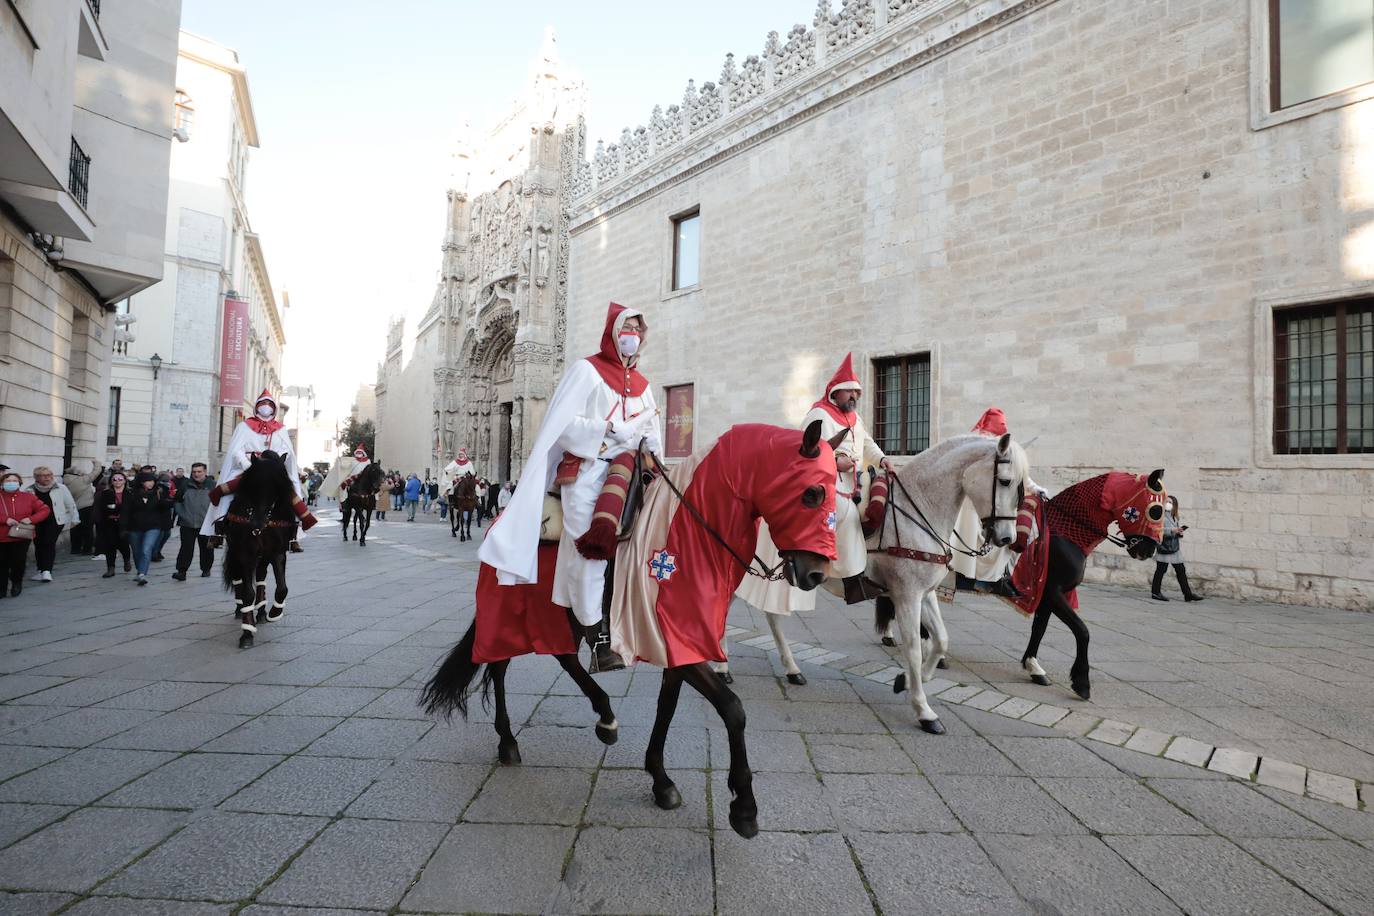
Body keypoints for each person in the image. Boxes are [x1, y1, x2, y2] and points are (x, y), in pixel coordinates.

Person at [479, 301, 662, 672]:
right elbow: (562, 424)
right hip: (588, 469)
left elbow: (654, 436)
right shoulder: (587, 371)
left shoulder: (644, 387)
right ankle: (596, 639)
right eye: (628, 329)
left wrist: (659, 463)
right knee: (588, 544)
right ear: (613, 332)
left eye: (640, 332)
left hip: (633, 471)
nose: (634, 337)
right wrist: (607, 429)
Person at [201, 389, 314, 552]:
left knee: (292, 494)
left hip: (273, 470)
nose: (266, 407)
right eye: (263, 403)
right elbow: (236, 450)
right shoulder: (244, 427)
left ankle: (294, 534)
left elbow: (287, 451)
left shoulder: (281, 430)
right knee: (229, 490)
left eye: (269, 404)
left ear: (274, 408)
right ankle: (218, 531)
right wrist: (248, 466)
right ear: (257, 406)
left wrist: (278, 463)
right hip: (248, 468)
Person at [952, 408, 1046, 591]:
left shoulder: (1005, 449)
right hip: (972, 502)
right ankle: (966, 576)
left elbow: (1017, 473)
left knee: (1006, 532)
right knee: (970, 533)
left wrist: (1037, 489)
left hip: (997, 502)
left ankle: (995, 578)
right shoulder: (976, 446)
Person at [0, 470, 51, 597]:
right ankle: (2, 587)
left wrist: (31, 519)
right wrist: (5, 519)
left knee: (18, 561)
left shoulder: (28, 497)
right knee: (2, 563)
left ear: (19, 483)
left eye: (14, 481)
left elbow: (44, 509)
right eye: (8, 481)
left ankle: (17, 583)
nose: (11, 483)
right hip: (2, 535)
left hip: (21, 536)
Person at [25, 467, 78, 583]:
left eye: (49, 474)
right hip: (37, 521)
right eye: (43, 475)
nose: (47, 477)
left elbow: (70, 504)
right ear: (36, 477)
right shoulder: (29, 490)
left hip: (55, 520)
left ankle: (47, 571)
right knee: (38, 544)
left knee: (48, 543)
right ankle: (40, 570)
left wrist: (75, 519)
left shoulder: (60, 488)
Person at [123, 472, 173, 585]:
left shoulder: (159, 492)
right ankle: (139, 570)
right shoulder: (131, 493)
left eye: (152, 481)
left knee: (147, 549)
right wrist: (123, 527)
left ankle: (142, 574)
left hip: (153, 526)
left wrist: (170, 501)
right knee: (136, 552)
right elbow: (125, 512)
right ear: (141, 482)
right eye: (147, 481)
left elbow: (165, 506)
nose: (150, 483)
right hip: (135, 526)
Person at [1152, 495, 1203, 602]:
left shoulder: (1174, 517)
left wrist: (1179, 532)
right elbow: (1157, 530)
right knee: (1161, 570)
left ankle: (1187, 594)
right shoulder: (1160, 516)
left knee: (1181, 570)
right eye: (1167, 502)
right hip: (1164, 548)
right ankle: (1155, 592)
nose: (1168, 504)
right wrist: (1171, 531)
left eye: (1170, 502)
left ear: (1174, 505)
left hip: (1174, 548)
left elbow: (1174, 531)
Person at [172, 463, 215, 580]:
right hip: (187, 523)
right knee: (186, 548)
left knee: (207, 548)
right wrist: (182, 514)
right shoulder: (185, 484)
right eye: (194, 472)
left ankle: (206, 569)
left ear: (205, 472)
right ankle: (181, 571)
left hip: (206, 524)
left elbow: (218, 504)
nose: (196, 474)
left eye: (199, 471)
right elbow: (177, 501)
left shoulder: (213, 485)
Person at [95, 471, 131, 577]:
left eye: (120, 479)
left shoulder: (129, 494)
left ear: (125, 480)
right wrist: (115, 509)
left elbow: (130, 509)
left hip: (124, 523)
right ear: (111, 481)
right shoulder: (106, 493)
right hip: (109, 522)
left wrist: (115, 508)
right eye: (115, 479)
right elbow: (103, 508)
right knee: (110, 545)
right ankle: (111, 568)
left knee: (123, 544)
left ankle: (127, 560)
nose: (117, 481)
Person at [63, 460, 102, 555]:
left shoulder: (65, 480)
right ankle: (87, 549)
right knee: (87, 529)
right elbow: (96, 471)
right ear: (78, 473)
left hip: (73, 507)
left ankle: (75, 548)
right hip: (86, 506)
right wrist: (97, 463)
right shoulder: (83, 479)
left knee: (75, 528)